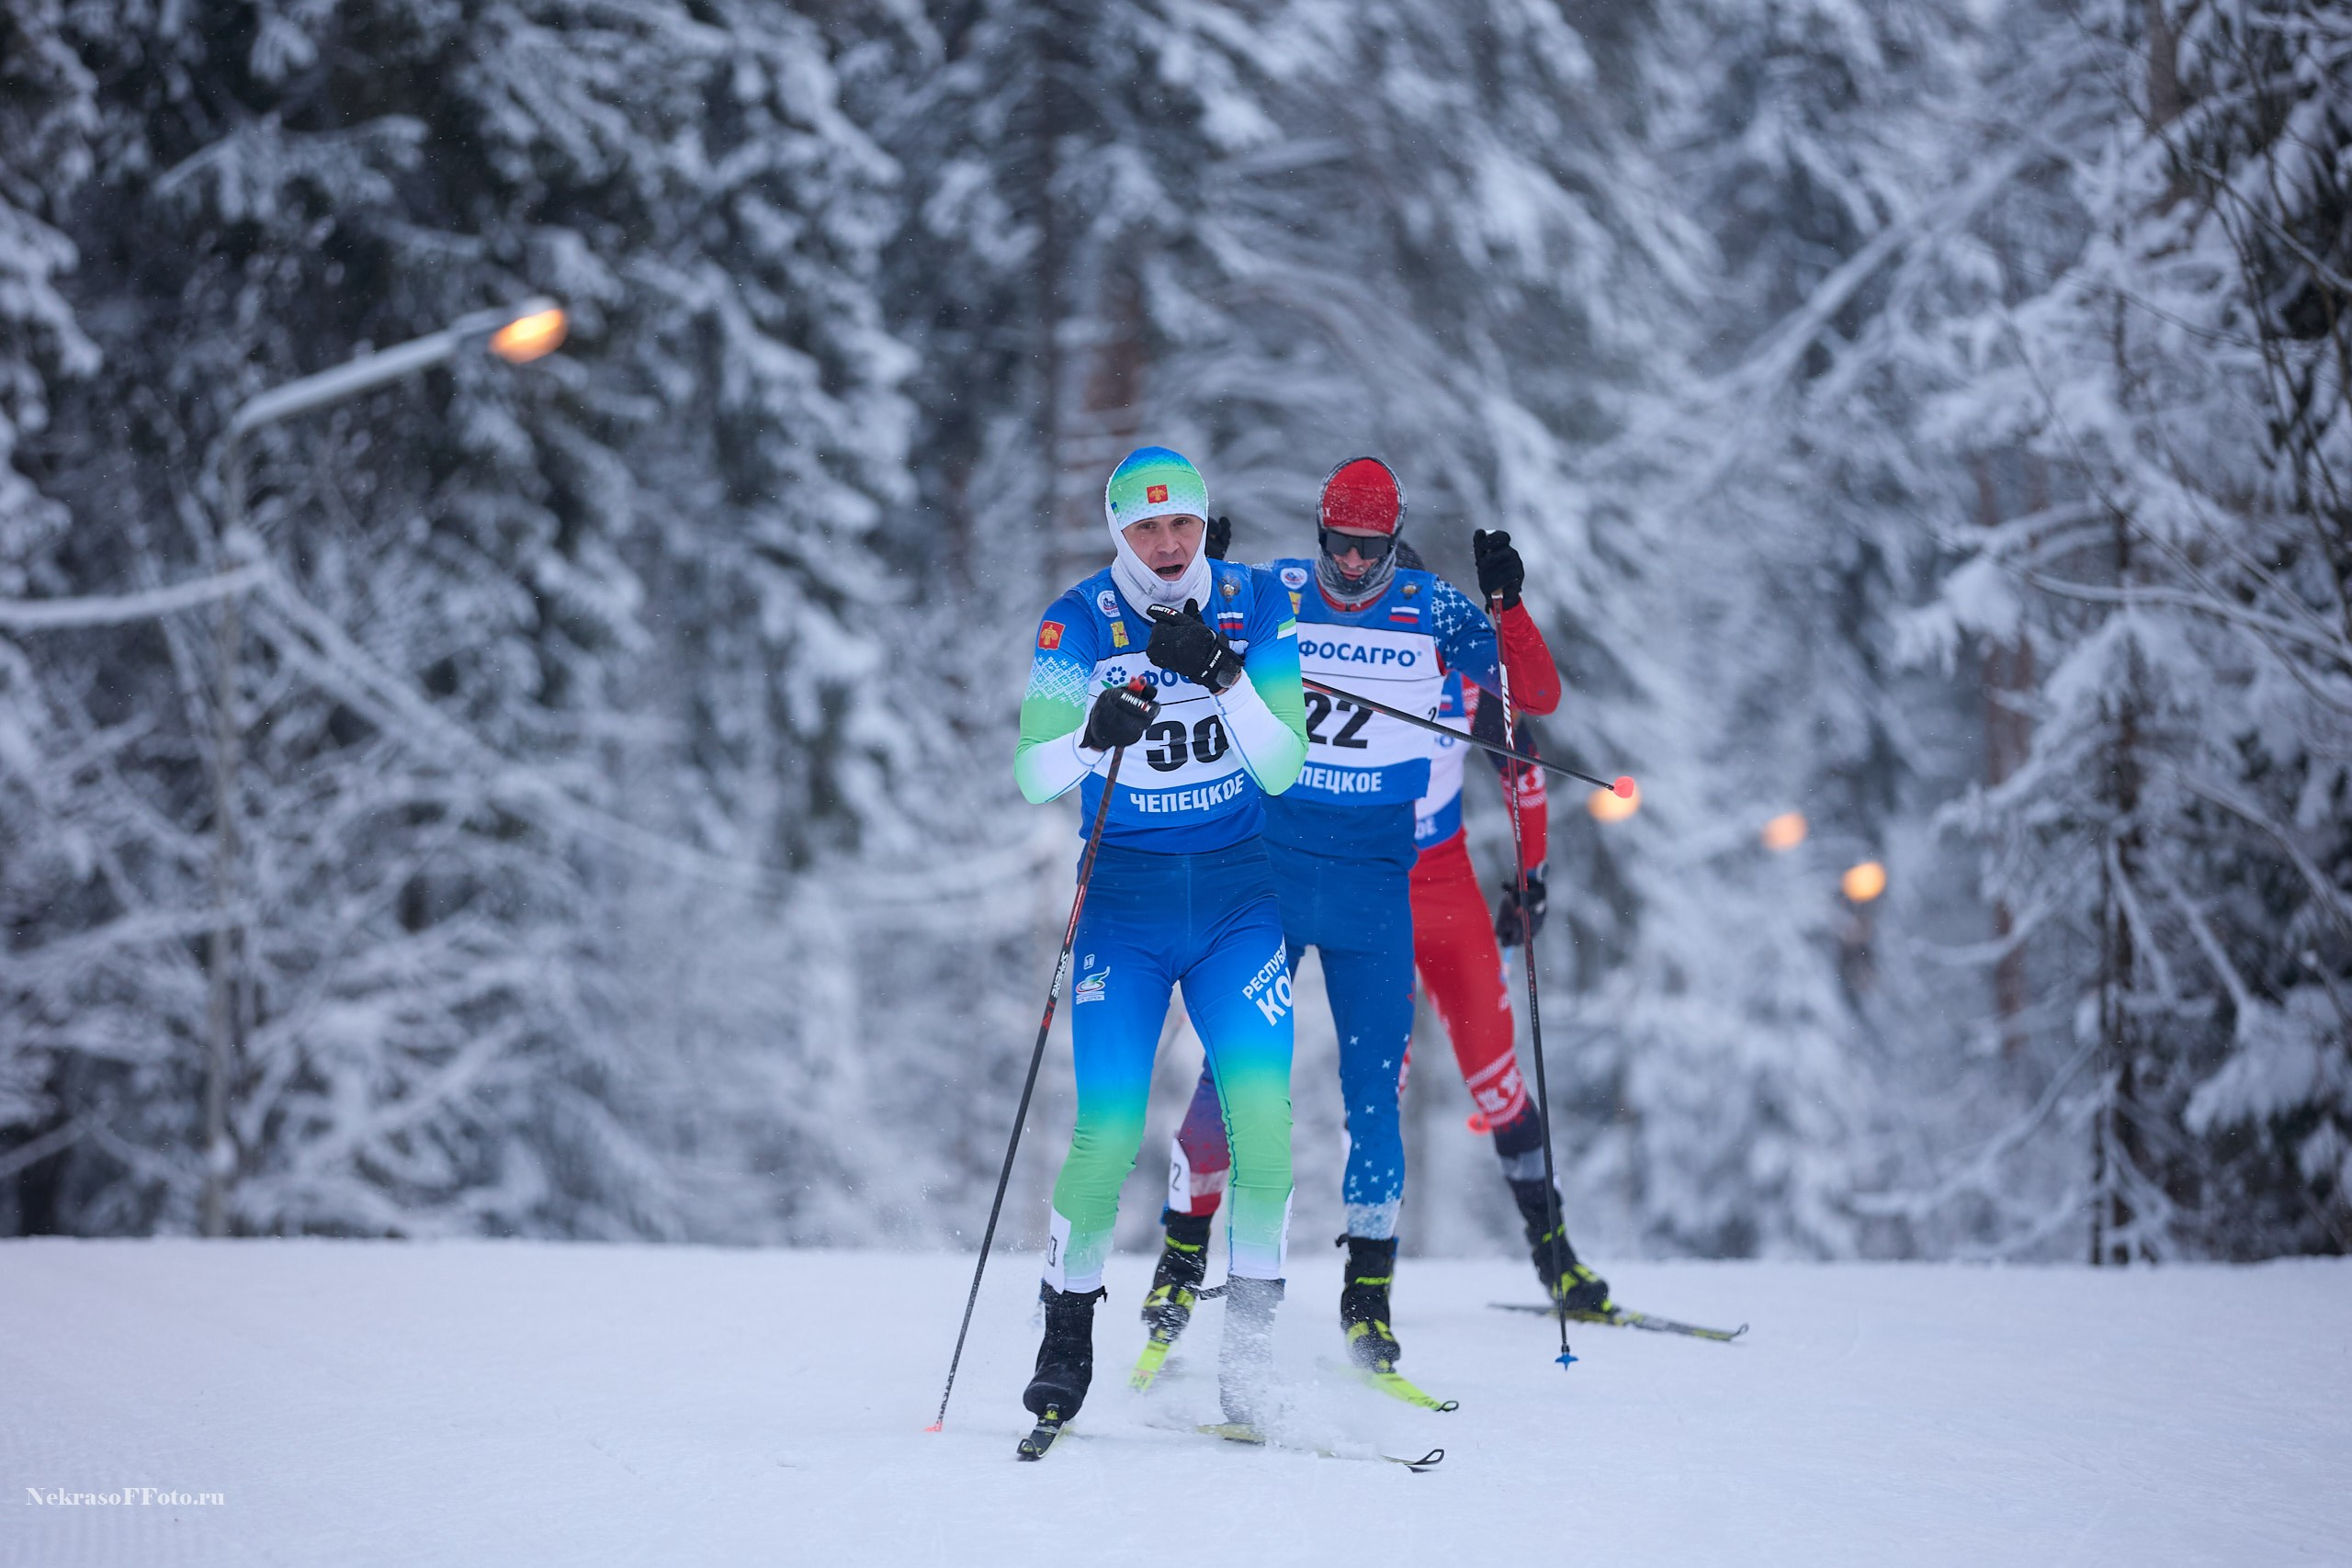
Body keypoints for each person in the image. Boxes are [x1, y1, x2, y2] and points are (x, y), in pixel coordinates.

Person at [1141, 457, 1560, 1380]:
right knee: (1230, 1074)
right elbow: (1167, 648)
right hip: (1274, 877)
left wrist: (1507, 609)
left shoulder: (1433, 608)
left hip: (1376, 889)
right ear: (1319, 531)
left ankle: (1367, 1299)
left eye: (1371, 547)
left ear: (1395, 539)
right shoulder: (1280, 590)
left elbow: (1534, 697)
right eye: (1339, 543)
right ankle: (1177, 1265)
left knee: (1374, 1099)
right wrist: (1195, 592)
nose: (1355, 564)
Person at [1012, 445, 1308, 1436]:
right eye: (1144, 527)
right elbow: (1033, 773)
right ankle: (1065, 1342)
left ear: (1202, 520)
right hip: (1125, 906)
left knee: (1263, 1127)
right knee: (1106, 1130)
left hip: (1235, 901)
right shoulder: (1078, 621)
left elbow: (1281, 763)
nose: (1168, 543)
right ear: (1118, 534)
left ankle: (1249, 1361)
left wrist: (1223, 673)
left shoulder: (1254, 603)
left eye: (1181, 521)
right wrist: (1092, 732)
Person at [1402, 534, 1613, 1316]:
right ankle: (1362, 1279)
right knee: (1376, 1080)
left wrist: (1531, 879)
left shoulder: (1462, 671)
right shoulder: (1331, 663)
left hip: (1444, 882)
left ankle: (1557, 1258)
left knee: (1497, 1075)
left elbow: (1524, 770)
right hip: (1365, 885)